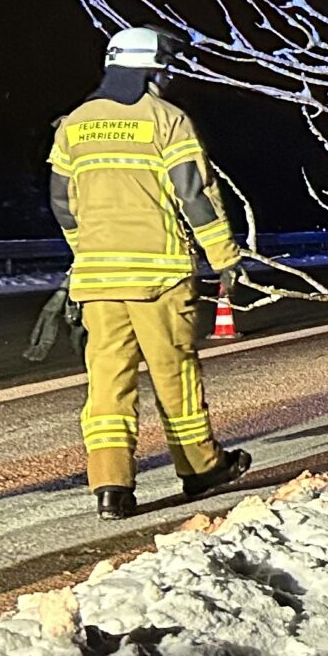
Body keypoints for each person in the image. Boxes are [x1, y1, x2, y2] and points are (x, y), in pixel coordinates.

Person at [49, 25, 250, 519]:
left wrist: (90, 251)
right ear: (153, 68)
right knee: (174, 375)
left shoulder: (74, 123)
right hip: (159, 278)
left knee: (107, 383)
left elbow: (61, 203)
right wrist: (224, 256)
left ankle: (111, 486)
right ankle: (200, 467)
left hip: (97, 280)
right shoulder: (166, 119)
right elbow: (195, 195)